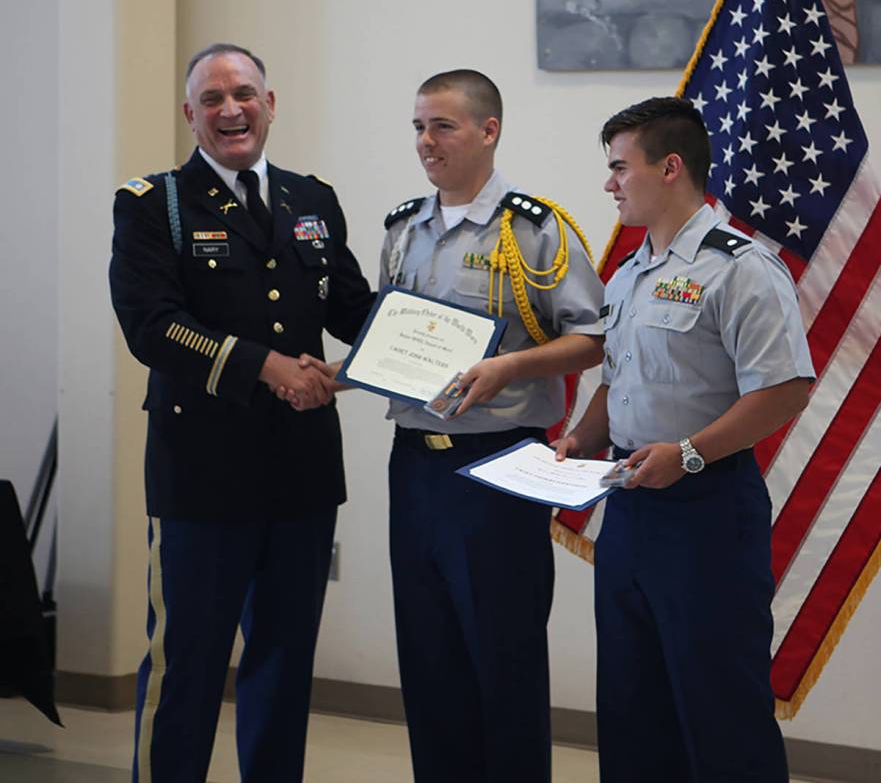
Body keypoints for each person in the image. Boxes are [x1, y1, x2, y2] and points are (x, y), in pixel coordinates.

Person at [109, 43, 373, 783]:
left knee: (285, 665)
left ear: (270, 102)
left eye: (246, 94)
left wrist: (435, 335)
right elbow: (151, 326)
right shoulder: (152, 202)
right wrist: (265, 365)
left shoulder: (311, 199)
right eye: (214, 99)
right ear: (190, 114)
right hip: (202, 476)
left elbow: (351, 307)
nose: (233, 110)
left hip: (301, 474)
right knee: (186, 666)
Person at [554, 97, 815, 782]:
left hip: (705, 511)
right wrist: (583, 434)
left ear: (670, 167)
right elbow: (622, 374)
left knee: (718, 709)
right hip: (631, 507)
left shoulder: (741, 268)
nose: (608, 183)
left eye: (619, 167)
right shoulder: (630, 272)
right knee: (631, 707)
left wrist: (690, 452)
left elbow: (785, 388)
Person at [377, 70, 605, 783]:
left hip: (498, 465)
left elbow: (594, 338)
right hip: (414, 460)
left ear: (487, 130)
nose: (425, 141)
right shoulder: (403, 226)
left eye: (441, 125)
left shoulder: (536, 229)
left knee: (501, 651)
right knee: (426, 648)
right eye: (418, 125)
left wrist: (507, 369)